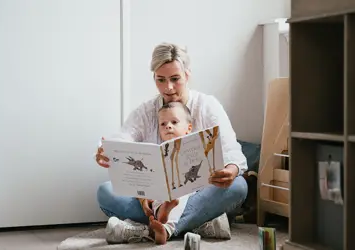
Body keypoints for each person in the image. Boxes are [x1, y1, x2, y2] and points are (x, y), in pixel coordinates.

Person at [95, 42, 248, 243]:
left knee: (238, 186)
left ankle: (151, 230)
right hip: (151, 196)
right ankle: (200, 224)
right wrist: (107, 150)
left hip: (198, 193)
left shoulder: (207, 106)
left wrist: (231, 170)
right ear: (154, 78)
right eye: (161, 80)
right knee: (106, 192)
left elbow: (233, 152)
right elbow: (124, 138)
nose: (168, 88)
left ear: (187, 75)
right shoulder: (146, 111)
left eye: (175, 79)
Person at [107, 101, 194, 245]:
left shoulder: (193, 148)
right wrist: (143, 196)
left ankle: (161, 227)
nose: (168, 126)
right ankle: (162, 218)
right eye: (163, 124)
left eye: (174, 122)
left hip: (186, 189)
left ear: (188, 128)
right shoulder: (155, 151)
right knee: (156, 195)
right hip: (161, 192)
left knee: (181, 194)